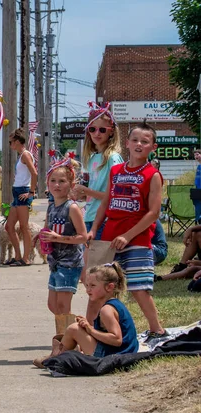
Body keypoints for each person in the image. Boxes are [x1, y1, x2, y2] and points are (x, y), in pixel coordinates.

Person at [88, 121, 167, 340]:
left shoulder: (153, 175)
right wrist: (94, 228)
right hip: (109, 238)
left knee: (138, 288)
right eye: (135, 140)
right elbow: (106, 202)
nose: (139, 144)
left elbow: (153, 213)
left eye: (145, 141)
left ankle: (157, 329)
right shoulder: (116, 170)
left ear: (154, 147)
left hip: (138, 240)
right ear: (127, 144)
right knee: (101, 287)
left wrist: (128, 236)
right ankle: (99, 331)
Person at [33, 158, 87, 368]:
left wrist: (58, 238)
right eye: (53, 180)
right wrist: (42, 238)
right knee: (53, 305)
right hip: (55, 262)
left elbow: (83, 237)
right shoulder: (51, 207)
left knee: (63, 306)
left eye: (62, 181)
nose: (57, 185)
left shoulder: (71, 208)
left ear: (71, 185)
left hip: (70, 262)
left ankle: (63, 349)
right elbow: (47, 229)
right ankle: (72, 340)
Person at [33, 262, 138, 367]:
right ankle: (58, 355)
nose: (88, 290)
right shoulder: (113, 304)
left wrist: (91, 330)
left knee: (73, 329)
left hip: (112, 356)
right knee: (78, 327)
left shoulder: (107, 310)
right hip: (120, 352)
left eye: (93, 286)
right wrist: (87, 327)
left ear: (109, 287)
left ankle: (55, 358)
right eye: (87, 285)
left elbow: (117, 339)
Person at [72, 102, 123, 284]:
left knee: (94, 273)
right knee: (89, 274)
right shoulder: (93, 157)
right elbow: (94, 193)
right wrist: (81, 194)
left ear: (111, 131)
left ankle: (104, 310)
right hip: (90, 215)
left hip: (104, 218)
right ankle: (99, 310)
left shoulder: (113, 158)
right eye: (92, 129)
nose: (97, 134)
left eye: (102, 130)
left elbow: (115, 195)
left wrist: (87, 191)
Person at [4, 128, 38, 267]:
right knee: (9, 226)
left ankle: (26, 258)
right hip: (17, 192)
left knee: (24, 226)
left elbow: (34, 173)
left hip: (23, 191)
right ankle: (17, 255)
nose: (10, 144)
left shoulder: (25, 155)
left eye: (11, 142)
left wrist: (31, 192)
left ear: (17, 142)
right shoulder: (21, 156)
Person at [194, 149, 201, 222]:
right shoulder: (198, 166)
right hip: (198, 190)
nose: (196, 156)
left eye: (198, 154)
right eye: (195, 155)